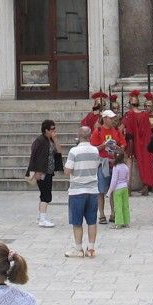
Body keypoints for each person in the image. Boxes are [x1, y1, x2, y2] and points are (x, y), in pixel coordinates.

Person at [64, 126, 101, 258]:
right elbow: (96, 166)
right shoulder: (95, 151)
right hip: (92, 190)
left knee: (77, 222)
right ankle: (91, 249)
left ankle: (78, 249)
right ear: (90, 136)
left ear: (78, 136)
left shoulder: (74, 151)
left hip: (77, 190)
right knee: (92, 221)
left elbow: (67, 170)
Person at [25, 120, 61, 228]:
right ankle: (42, 219)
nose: (54, 131)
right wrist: (36, 171)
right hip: (42, 172)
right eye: (52, 129)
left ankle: (41, 216)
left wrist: (55, 139)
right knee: (46, 195)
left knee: (44, 195)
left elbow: (59, 151)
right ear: (46, 130)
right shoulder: (40, 141)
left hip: (49, 171)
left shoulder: (50, 141)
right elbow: (34, 156)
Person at [91, 110, 125, 223]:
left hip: (114, 163)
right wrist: (104, 145)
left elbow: (123, 144)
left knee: (114, 189)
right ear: (104, 118)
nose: (113, 120)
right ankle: (101, 214)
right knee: (101, 190)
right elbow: (93, 149)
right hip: (103, 164)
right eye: (110, 118)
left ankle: (113, 213)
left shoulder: (116, 131)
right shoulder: (98, 131)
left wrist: (118, 148)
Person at [123, 91, 153, 196]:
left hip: (132, 142)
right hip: (145, 142)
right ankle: (146, 186)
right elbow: (147, 130)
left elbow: (128, 131)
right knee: (145, 163)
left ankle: (128, 188)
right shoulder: (145, 114)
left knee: (129, 164)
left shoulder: (129, 114)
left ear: (130, 104)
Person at [106, 155, 131, 228]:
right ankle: (126, 222)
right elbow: (128, 178)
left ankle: (119, 223)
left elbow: (114, 181)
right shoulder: (126, 167)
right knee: (125, 205)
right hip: (125, 187)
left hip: (117, 189)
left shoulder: (116, 167)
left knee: (118, 206)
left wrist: (109, 192)